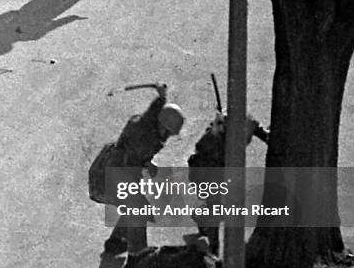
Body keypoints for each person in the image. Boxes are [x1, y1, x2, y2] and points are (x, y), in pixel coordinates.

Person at [88, 84, 185, 255]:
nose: (168, 136)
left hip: (111, 170)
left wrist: (161, 97)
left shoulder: (149, 124)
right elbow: (132, 159)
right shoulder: (144, 138)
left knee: (134, 206)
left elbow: (153, 113)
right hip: (107, 179)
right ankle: (138, 256)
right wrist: (144, 164)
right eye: (169, 132)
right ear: (162, 126)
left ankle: (116, 242)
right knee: (138, 210)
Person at [188, 110, 269, 255]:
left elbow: (263, 133)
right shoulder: (213, 138)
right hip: (206, 171)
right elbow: (199, 154)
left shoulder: (248, 122)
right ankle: (213, 247)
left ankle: (200, 216)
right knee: (217, 207)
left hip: (226, 170)